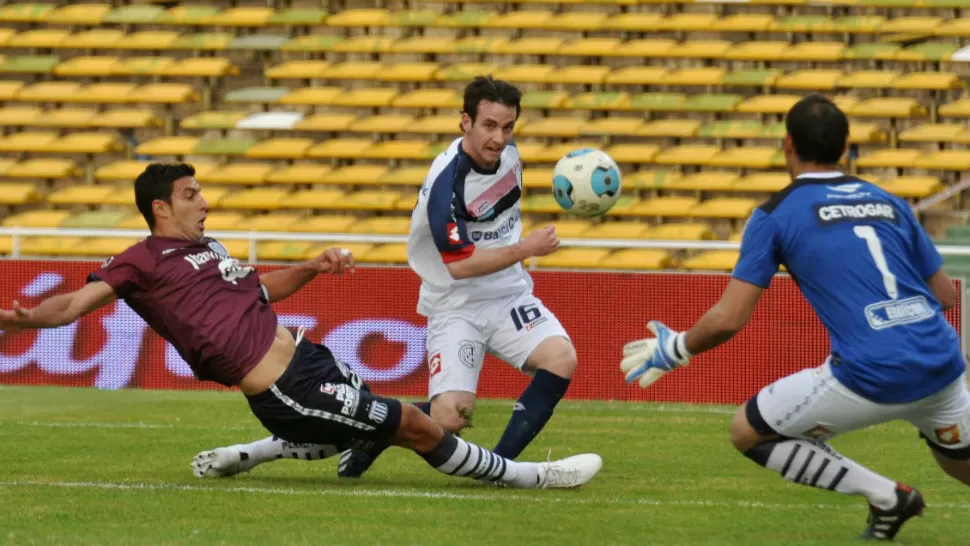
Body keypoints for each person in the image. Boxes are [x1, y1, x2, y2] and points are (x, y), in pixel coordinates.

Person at [0, 162, 602, 490]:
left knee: (362, 430)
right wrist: (20, 319)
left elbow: (261, 289)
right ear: (161, 207)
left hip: (307, 359)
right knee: (415, 424)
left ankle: (249, 455)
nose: (203, 200)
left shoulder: (209, 249)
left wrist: (313, 267)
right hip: (284, 388)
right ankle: (527, 477)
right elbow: (72, 307)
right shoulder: (139, 260)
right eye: (191, 193)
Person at [620, 94, 969, 541]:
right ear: (846, 148)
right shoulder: (890, 202)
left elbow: (729, 318)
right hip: (942, 365)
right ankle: (891, 497)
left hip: (869, 372)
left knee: (748, 431)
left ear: (787, 144)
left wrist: (676, 348)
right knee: (964, 470)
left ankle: (888, 496)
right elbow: (945, 295)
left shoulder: (775, 214)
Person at [201, 75, 580, 480]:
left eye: (508, 127)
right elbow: (459, 265)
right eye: (489, 125)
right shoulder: (445, 186)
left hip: (507, 293)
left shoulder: (509, 154)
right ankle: (375, 433)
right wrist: (526, 249)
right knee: (451, 417)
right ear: (465, 122)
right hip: (456, 303)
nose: (499, 138)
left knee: (561, 358)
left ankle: (502, 470)